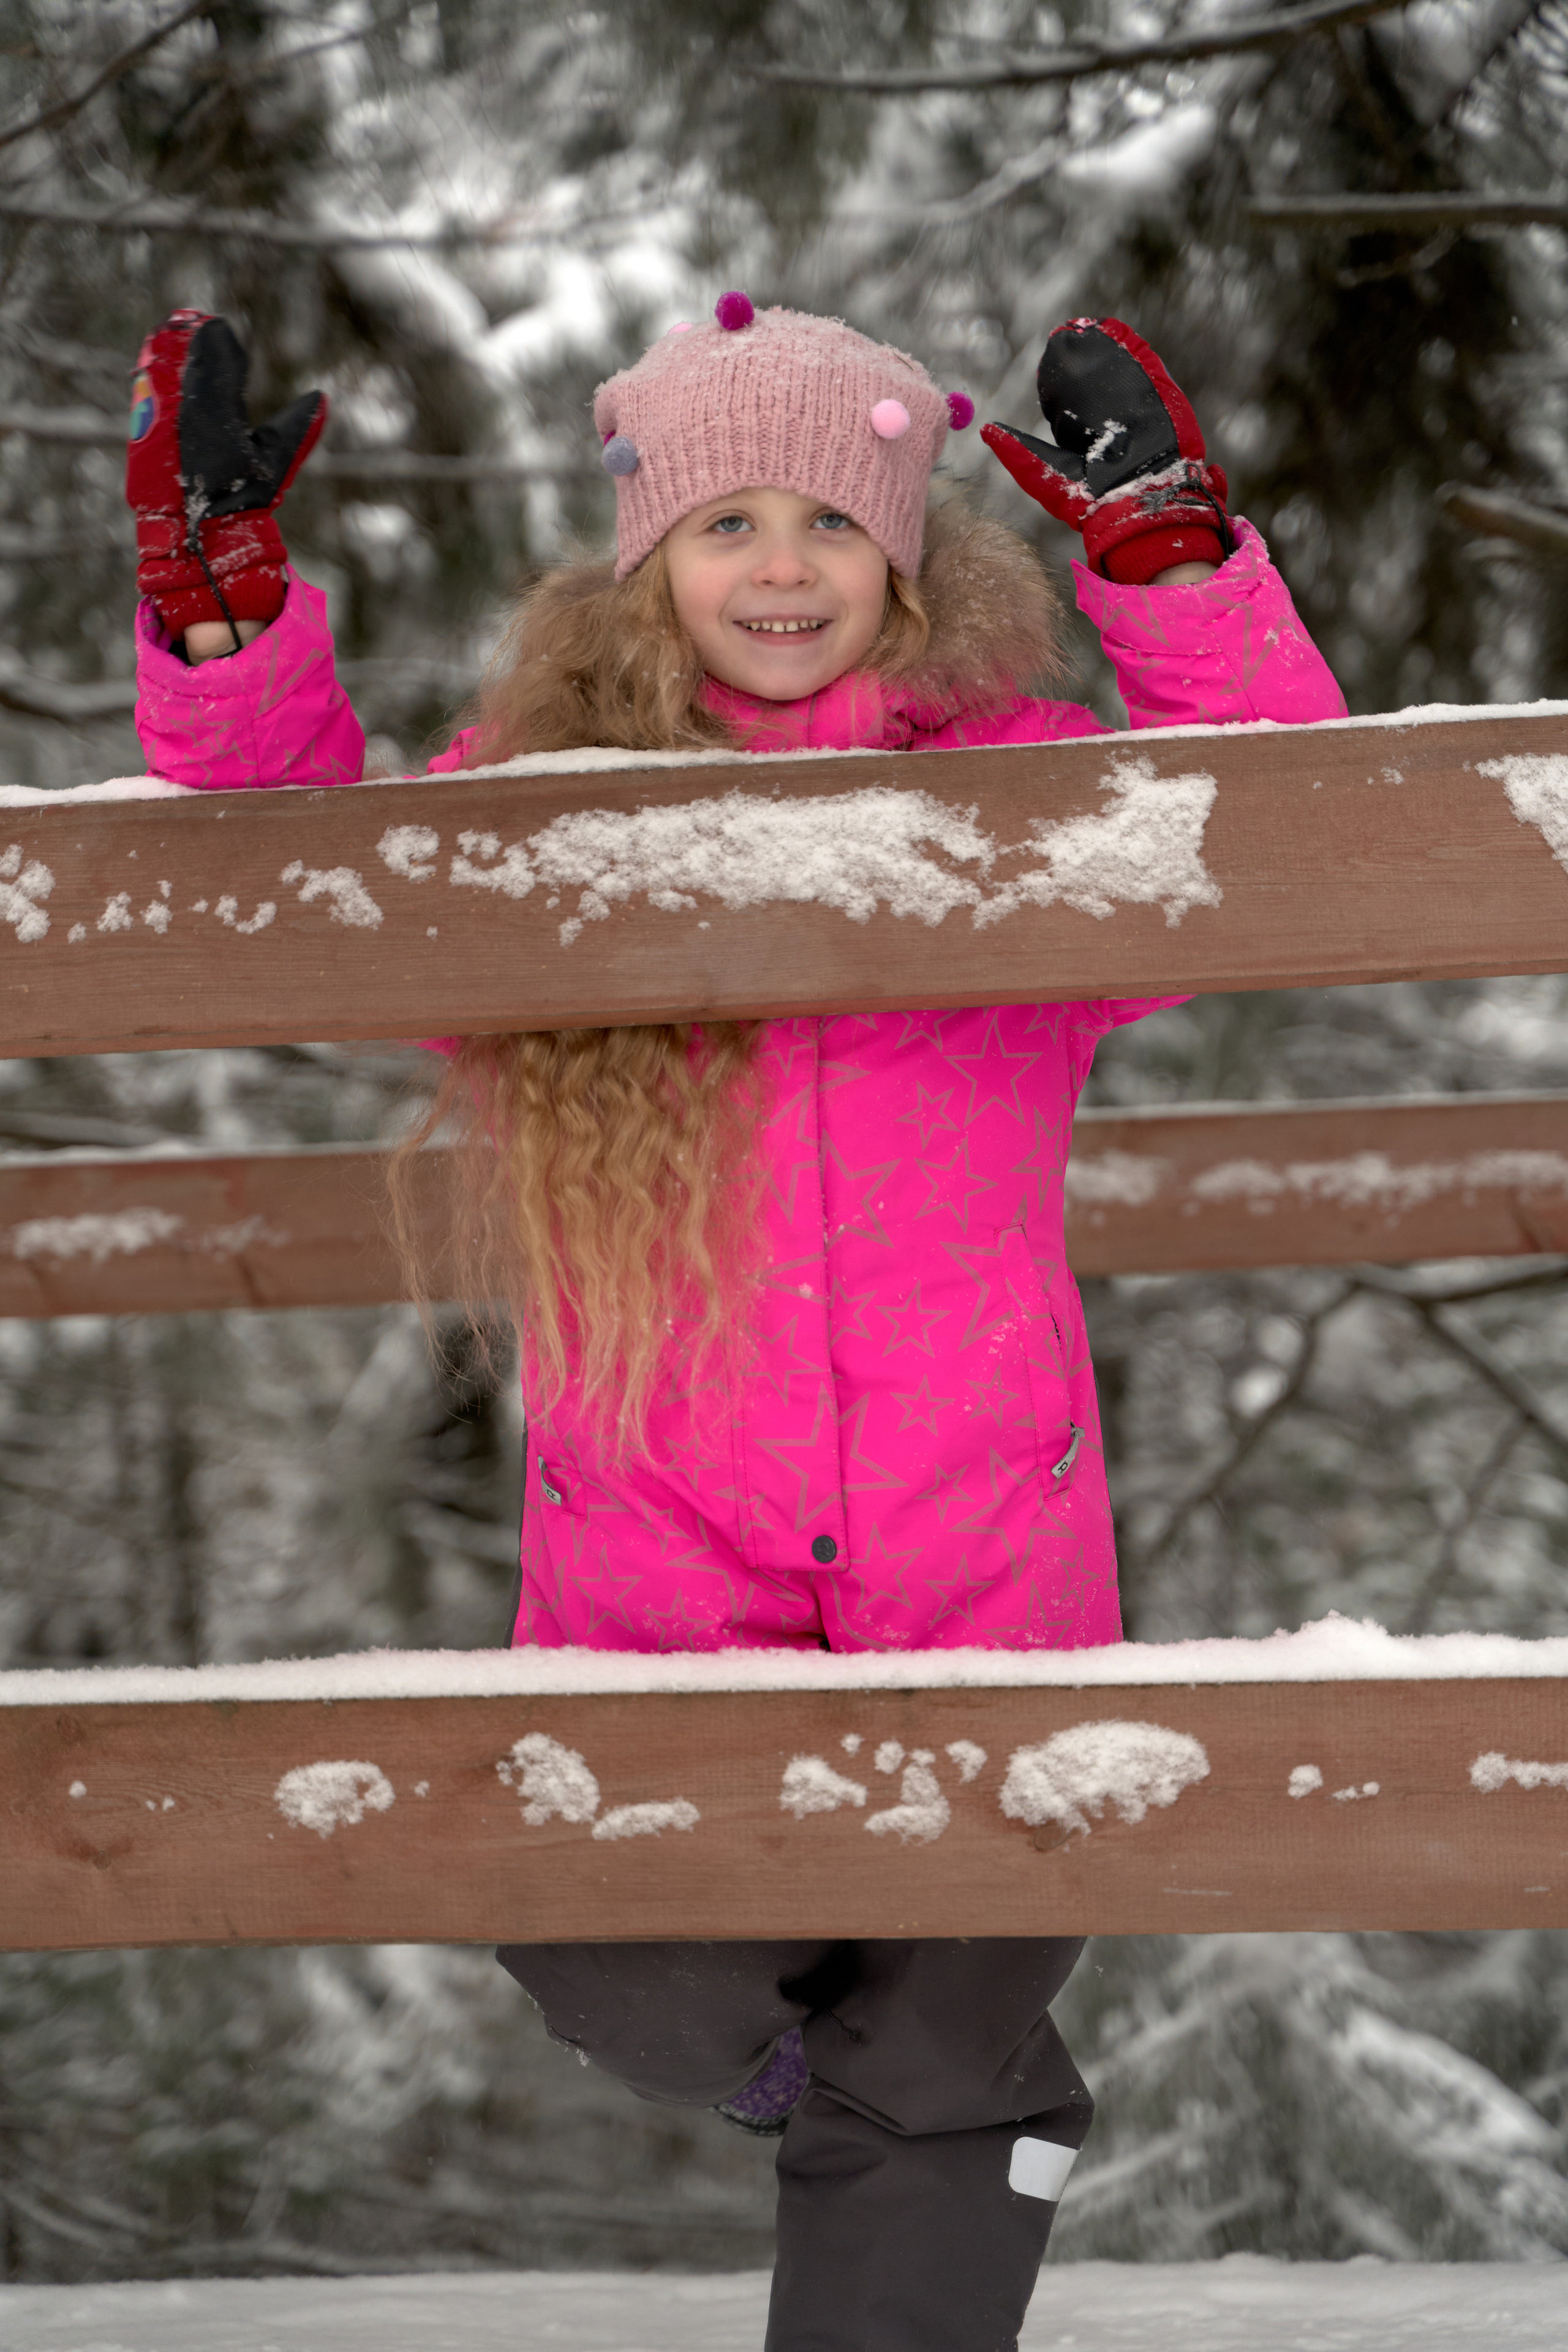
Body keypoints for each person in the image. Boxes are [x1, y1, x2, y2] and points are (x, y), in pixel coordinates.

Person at [127, 298, 1345, 2352]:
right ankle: (904, 2103)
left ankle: (933, 2114)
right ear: (647, 562)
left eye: (828, 525)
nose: (780, 570)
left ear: (902, 556)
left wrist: (1165, 563)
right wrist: (232, 629)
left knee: (956, 2009)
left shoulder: (1017, 805)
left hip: (988, 1561)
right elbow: (298, 866)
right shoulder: (542, 808)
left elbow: (1279, 832)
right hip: (653, 1575)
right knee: (621, 1959)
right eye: (725, 525)